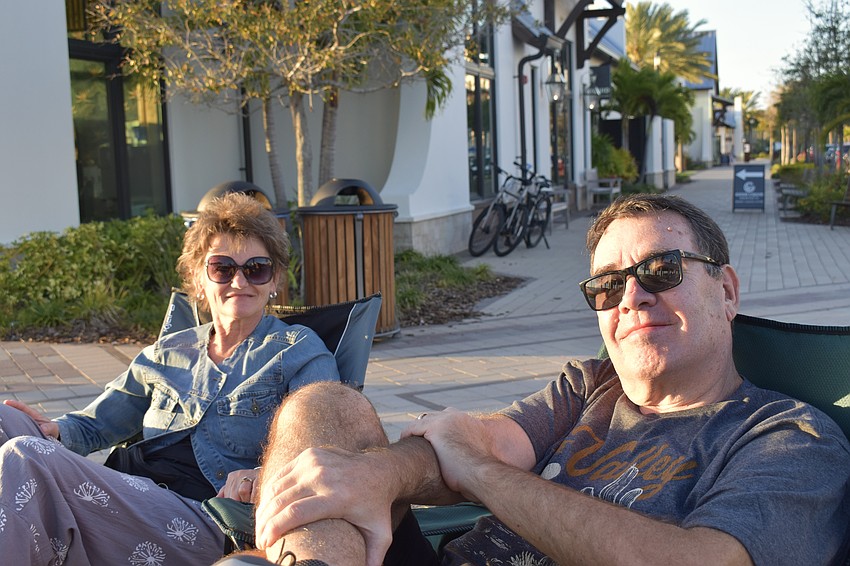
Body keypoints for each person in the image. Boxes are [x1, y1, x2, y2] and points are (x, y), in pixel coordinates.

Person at [232, 193, 850, 566]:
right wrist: (379, 475)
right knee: (326, 404)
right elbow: (473, 443)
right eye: (607, 284)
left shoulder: (788, 436)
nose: (631, 297)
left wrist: (480, 474)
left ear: (728, 290)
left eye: (661, 269)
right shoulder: (589, 386)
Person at [0, 191, 340, 564]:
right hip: (133, 490)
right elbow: (98, 422)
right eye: (222, 268)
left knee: (26, 455)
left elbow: (323, 444)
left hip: (205, 517)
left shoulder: (297, 349)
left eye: (256, 268)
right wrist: (55, 429)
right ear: (198, 279)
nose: (239, 281)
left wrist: (261, 474)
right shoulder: (169, 350)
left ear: (274, 280)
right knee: (6, 422)